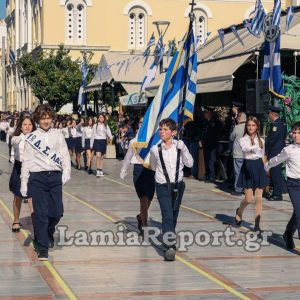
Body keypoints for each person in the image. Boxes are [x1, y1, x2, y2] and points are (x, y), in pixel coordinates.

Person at [20, 104, 71, 261]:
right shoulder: (32, 138)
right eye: (43, 118)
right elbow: (27, 161)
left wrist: (66, 172)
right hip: (37, 178)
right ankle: (42, 246)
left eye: (48, 118)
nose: (46, 121)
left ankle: (48, 231)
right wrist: (24, 182)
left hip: (55, 177)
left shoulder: (58, 135)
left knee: (57, 212)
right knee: (40, 213)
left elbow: (64, 155)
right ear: (38, 120)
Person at [150, 118, 193, 261]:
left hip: (178, 185)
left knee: (174, 215)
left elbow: (190, 163)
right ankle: (170, 246)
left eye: (165, 129)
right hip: (162, 185)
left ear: (173, 132)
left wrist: (184, 149)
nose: (161, 132)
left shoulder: (180, 147)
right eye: (160, 129)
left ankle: (168, 235)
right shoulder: (155, 149)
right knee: (167, 214)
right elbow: (153, 166)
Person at [265, 122, 300, 249]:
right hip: (294, 185)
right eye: (294, 133)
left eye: (298, 133)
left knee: (297, 213)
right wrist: (266, 166)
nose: (296, 135)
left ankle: (288, 234)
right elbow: (276, 160)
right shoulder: (289, 150)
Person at [120, 118, 155, 234]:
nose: (142, 124)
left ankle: (140, 216)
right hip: (139, 170)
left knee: (150, 199)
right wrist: (124, 170)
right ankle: (145, 226)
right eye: (140, 122)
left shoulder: (153, 140)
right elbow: (128, 157)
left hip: (150, 170)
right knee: (143, 199)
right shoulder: (134, 141)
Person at [234, 116, 269, 232]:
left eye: (253, 125)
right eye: (249, 125)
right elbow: (245, 149)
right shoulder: (243, 139)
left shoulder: (262, 141)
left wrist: (266, 169)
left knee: (258, 198)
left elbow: (263, 155)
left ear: (257, 127)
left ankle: (257, 225)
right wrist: (256, 147)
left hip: (259, 167)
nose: (250, 127)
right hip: (248, 166)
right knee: (248, 199)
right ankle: (239, 211)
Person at [9, 115, 36, 232]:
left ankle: (36, 222)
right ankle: (16, 220)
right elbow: (14, 144)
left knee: (32, 196)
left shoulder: (37, 138)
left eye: (30, 124)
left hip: (32, 168)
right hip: (19, 167)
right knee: (18, 196)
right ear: (20, 126)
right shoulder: (16, 138)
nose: (27, 126)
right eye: (25, 124)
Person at [265, 106, 287, 201]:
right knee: (276, 172)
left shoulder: (276, 125)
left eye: (269, 113)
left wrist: (266, 150)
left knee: (275, 173)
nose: (268, 115)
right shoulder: (281, 124)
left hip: (275, 151)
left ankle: (277, 194)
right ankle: (280, 190)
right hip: (277, 151)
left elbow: (271, 140)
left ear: (272, 113)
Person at [229, 112, 246, 196]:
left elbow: (231, 137)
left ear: (239, 119)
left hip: (238, 153)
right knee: (245, 172)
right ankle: (245, 188)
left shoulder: (237, 127)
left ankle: (238, 189)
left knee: (238, 171)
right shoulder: (250, 127)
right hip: (247, 154)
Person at [201, 108, 219, 183]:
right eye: (204, 112)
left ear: (210, 113)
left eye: (206, 112)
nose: (204, 114)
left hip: (212, 144)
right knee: (206, 160)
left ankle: (212, 176)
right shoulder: (205, 122)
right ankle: (207, 175)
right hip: (206, 143)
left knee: (212, 160)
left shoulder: (215, 122)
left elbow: (216, 133)